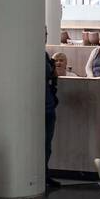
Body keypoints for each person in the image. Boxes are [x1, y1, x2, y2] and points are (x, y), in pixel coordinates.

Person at [44, 48, 60, 188]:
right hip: (39, 106)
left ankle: (44, 173)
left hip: (48, 105)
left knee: (47, 144)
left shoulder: (45, 55)